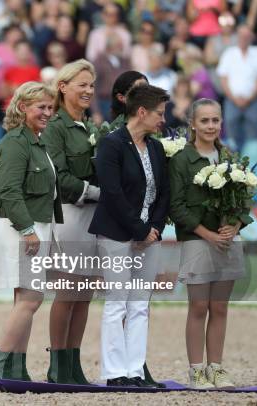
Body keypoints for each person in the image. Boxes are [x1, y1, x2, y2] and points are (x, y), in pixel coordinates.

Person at [88, 84, 170, 387]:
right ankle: (114, 372)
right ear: (142, 112)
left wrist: (155, 229)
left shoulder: (157, 148)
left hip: (149, 235)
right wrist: (139, 229)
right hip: (116, 234)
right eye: (160, 113)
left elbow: (164, 192)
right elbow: (112, 192)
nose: (163, 119)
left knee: (140, 304)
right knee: (117, 302)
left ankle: (135, 371)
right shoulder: (111, 144)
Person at [169, 98, 252, 389]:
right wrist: (207, 234)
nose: (211, 126)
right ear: (192, 123)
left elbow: (245, 200)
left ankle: (216, 368)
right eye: (204, 120)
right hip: (197, 241)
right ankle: (195, 371)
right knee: (199, 307)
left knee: (220, 307)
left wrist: (235, 225)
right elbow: (177, 206)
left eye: (215, 120)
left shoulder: (229, 156)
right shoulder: (181, 159)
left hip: (228, 242)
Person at [0, 81, 63, 389]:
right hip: (22, 228)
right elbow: (9, 191)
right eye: (40, 107)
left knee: (24, 300)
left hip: (33, 227)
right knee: (31, 298)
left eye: (49, 107)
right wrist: (28, 230)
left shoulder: (34, 141)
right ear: (21, 108)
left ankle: (15, 368)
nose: (47, 112)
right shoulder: (16, 142)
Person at [42, 59, 98, 385]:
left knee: (86, 292)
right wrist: (98, 191)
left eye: (91, 85)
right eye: (82, 84)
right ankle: (57, 364)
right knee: (68, 291)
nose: (89, 90)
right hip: (69, 213)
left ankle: (74, 364)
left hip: (92, 214)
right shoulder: (55, 126)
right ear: (63, 87)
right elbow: (58, 177)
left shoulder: (89, 126)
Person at [217, 24, 257, 151]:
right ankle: (231, 167)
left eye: (246, 35)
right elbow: (223, 79)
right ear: (237, 36)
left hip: (253, 100)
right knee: (231, 137)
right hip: (232, 100)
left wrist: (250, 98)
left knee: (253, 137)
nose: (244, 38)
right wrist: (234, 98)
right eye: (241, 35)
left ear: (251, 37)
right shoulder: (229, 53)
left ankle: (252, 166)